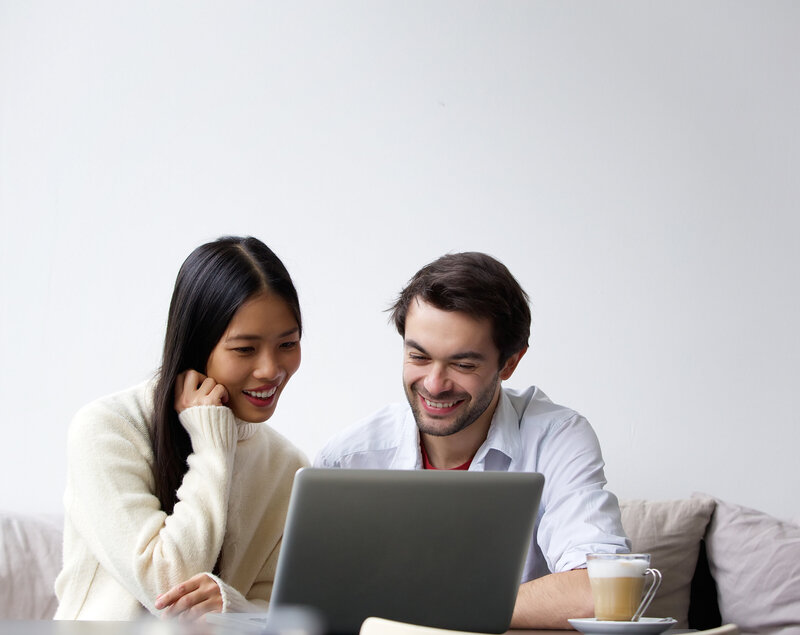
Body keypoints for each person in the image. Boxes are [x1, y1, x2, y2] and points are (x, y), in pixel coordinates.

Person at [315, 252, 630, 629]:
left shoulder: (557, 437)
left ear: (509, 363)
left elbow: (600, 593)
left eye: (463, 365)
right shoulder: (347, 459)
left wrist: (426, 606)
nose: (434, 384)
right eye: (419, 356)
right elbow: (317, 601)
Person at [55, 236, 308, 621]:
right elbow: (169, 587)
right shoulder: (107, 430)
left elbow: (279, 609)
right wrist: (211, 442)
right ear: (195, 345)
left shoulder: (287, 466)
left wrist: (231, 608)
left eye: (287, 343)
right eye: (245, 349)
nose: (271, 370)